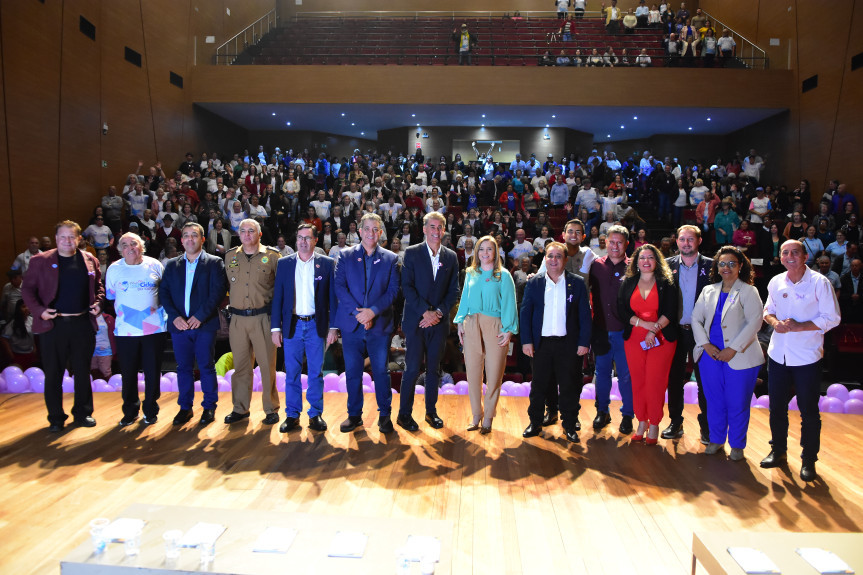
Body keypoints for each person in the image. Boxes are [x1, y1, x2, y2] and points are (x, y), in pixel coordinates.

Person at [761, 240, 841, 482]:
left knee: (808, 411)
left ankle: (808, 459)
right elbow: (768, 310)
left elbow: (833, 318)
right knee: (776, 408)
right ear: (781, 257)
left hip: (807, 356)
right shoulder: (776, 281)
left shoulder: (820, 282)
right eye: (785, 252)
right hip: (778, 356)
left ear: (805, 256)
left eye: (795, 252)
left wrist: (800, 326)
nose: (789, 256)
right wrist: (775, 323)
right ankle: (778, 451)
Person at [21, 221, 103, 432]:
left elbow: (99, 288)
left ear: (78, 239)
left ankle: (83, 413)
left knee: (83, 371)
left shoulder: (90, 260)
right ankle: (56, 418)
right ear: (56, 239)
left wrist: (99, 303)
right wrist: (39, 311)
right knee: (54, 373)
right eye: (63, 237)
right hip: (53, 325)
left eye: (71, 237)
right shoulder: (40, 261)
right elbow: (28, 290)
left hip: (83, 324)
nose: (67, 241)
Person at [691, 246, 765, 461]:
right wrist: (705, 344)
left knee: (738, 402)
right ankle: (716, 439)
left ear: (740, 266)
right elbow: (696, 319)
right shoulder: (709, 290)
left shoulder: (749, 291)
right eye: (722, 263)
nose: (727, 267)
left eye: (732, 263)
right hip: (710, 356)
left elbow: (755, 322)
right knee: (714, 401)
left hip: (739, 356)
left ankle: (737, 444)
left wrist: (733, 349)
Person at [334, 213, 400, 433]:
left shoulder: (391, 258)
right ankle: (354, 415)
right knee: (353, 372)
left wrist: (372, 312)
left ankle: (385, 415)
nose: (372, 233)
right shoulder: (344, 256)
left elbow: (392, 292)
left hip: (379, 326)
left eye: (376, 229)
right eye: (368, 228)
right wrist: (358, 313)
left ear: (380, 232)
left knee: (381, 371)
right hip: (352, 325)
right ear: (360, 231)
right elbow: (339, 288)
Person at [520, 242, 591, 443]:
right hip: (541, 345)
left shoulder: (577, 283)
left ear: (565, 260)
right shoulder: (534, 283)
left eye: (558, 256)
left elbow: (585, 316)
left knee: (569, 387)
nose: (553, 260)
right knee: (539, 387)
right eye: (550, 256)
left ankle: (569, 425)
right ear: (545, 259)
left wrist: (584, 342)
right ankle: (535, 423)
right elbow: (525, 314)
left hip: (568, 345)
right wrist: (526, 341)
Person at [271, 223, 338, 433]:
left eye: (307, 237)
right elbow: (278, 298)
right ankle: (292, 415)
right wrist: (275, 328)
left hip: (316, 325)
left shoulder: (327, 264)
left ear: (316, 240)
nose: (303, 241)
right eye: (300, 237)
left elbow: (333, 299)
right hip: (292, 325)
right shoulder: (284, 264)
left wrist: (333, 328)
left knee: (316, 373)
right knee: (291, 373)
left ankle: (315, 414)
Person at [396, 212, 460, 431]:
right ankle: (404, 414)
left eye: (440, 227)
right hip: (416, 321)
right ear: (424, 229)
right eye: (432, 227)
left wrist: (438, 313)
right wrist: (426, 312)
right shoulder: (412, 253)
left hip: (439, 323)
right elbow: (407, 287)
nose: (436, 231)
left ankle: (431, 413)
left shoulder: (451, 256)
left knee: (434, 370)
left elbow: (454, 290)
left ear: (444, 230)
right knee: (412, 369)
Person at [159, 222, 227, 427]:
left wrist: (200, 316)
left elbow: (218, 292)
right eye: (186, 235)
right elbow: (164, 293)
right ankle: (185, 407)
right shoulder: (171, 265)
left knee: (206, 366)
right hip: (179, 326)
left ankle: (209, 407)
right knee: (183, 368)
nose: (190, 239)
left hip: (204, 325)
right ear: (181, 240)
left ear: (202, 239)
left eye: (194, 235)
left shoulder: (214, 263)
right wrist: (175, 317)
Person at [454, 236, 518, 434]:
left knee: (494, 374)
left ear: (495, 252)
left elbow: (510, 303)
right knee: (473, 373)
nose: (485, 253)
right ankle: (476, 415)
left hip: (495, 326)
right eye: (481, 249)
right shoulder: (471, 273)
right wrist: (459, 322)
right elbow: (464, 298)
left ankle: (488, 417)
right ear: (476, 252)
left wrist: (509, 329)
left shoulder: (504, 275)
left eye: (489, 249)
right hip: (471, 324)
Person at [104, 233, 168, 426]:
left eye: (134, 243)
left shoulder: (155, 265)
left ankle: (150, 409)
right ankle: (130, 411)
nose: (130, 247)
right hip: (126, 331)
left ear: (142, 246)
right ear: (120, 249)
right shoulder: (114, 269)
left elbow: (164, 292)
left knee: (152, 370)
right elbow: (110, 296)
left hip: (154, 329)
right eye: (125, 245)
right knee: (128, 372)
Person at [618, 244, 678, 444]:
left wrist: (653, 330)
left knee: (655, 381)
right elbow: (621, 311)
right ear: (636, 261)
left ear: (657, 260)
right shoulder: (628, 282)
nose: (646, 261)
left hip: (661, 338)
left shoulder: (666, 282)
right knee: (638, 381)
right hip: (635, 338)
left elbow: (670, 311)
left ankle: (654, 423)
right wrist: (643, 324)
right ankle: (641, 421)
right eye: (642, 257)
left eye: (650, 257)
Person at [223, 218, 281, 425]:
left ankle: (271, 408)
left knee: (267, 366)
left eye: (251, 231)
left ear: (259, 234)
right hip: (237, 319)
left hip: (263, 318)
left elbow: (282, 291)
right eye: (243, 231)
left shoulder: (273, 256)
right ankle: (240, 408)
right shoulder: (230, 256)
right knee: (241, 367)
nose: (247, 235)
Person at [663, 225, 713, 443]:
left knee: (705, 381)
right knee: (674, 379)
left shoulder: (712, 266)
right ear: (677, 242)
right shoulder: (667, 266)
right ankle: (676, 421)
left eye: (690, 239)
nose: (686, 243)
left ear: (699, 241)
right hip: (675, 330)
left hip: (702, 333)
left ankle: (707, 426)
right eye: (682, 239)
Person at [589, 225, 634, 434]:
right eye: (611, 242)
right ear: (605, 242)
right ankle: (602, 411)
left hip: (626, 332)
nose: (615, 246)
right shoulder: (595, 266)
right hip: (600, 330)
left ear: (626, 244)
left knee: (626, 376)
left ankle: (627, 415)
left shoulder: (634, 267)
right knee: (602, 373)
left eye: (619, 242)